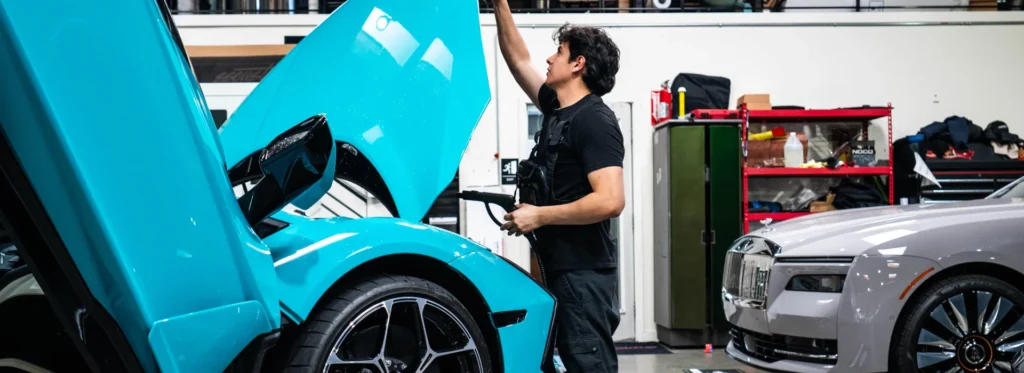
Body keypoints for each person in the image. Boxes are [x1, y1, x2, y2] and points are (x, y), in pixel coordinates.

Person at [492, 1, 625, 371]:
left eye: (559, 52)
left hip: (583, 276)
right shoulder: (557, 110)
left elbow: (611, 200)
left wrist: (540, 216)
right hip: (557, 268)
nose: (549, 59)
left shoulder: (595, 121)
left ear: (578, 64)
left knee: (587, 365)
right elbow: (518, 60)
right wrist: (498, 4)